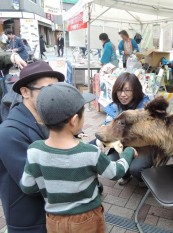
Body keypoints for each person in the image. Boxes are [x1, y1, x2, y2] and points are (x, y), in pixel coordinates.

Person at [20, 82, 137, 233]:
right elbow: (115, 172)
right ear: (74, 120)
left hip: (54, 220)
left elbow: (27, 187)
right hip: (87, 219)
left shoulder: (34, 151)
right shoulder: (90, 152)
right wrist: (128, 153)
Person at [0, 61, 64, 233]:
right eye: (47, 90)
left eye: (56, 89)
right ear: (25, 92)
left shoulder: (48, 118)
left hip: (51, 215)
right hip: (31, 223)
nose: (54, 96)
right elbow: (34, 185)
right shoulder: (9, 133)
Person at [103, 72, 152, 185]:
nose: (122, 95)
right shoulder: (115, 106)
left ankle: (142, 178)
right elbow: (107, 125)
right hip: (122, 145)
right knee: (110, 162)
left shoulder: (145, 107)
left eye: (127, 90)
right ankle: (126, 174)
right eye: (119, 90)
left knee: (136, 168)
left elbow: (145, 135)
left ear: (135, 90)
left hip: (143, 147)